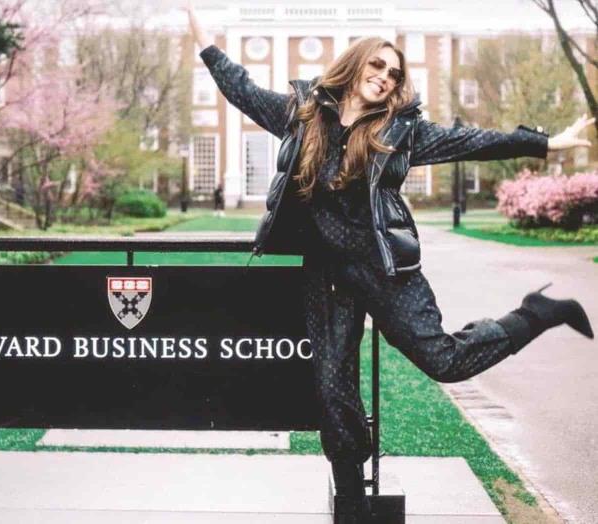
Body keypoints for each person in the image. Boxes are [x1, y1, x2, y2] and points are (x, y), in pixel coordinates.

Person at [181, 3, 594, 523]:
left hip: (384, 269)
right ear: (356, 65)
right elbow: (240, 88)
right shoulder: (302, 113)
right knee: (332, 390)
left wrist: (545, 142)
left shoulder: (401, 131)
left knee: (444, 361)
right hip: (327, 276)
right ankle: (352, 499)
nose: (385, 77)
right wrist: (205, 42)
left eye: (394, 74)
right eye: (377, 65)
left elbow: (472, 141)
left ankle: (536, 312)